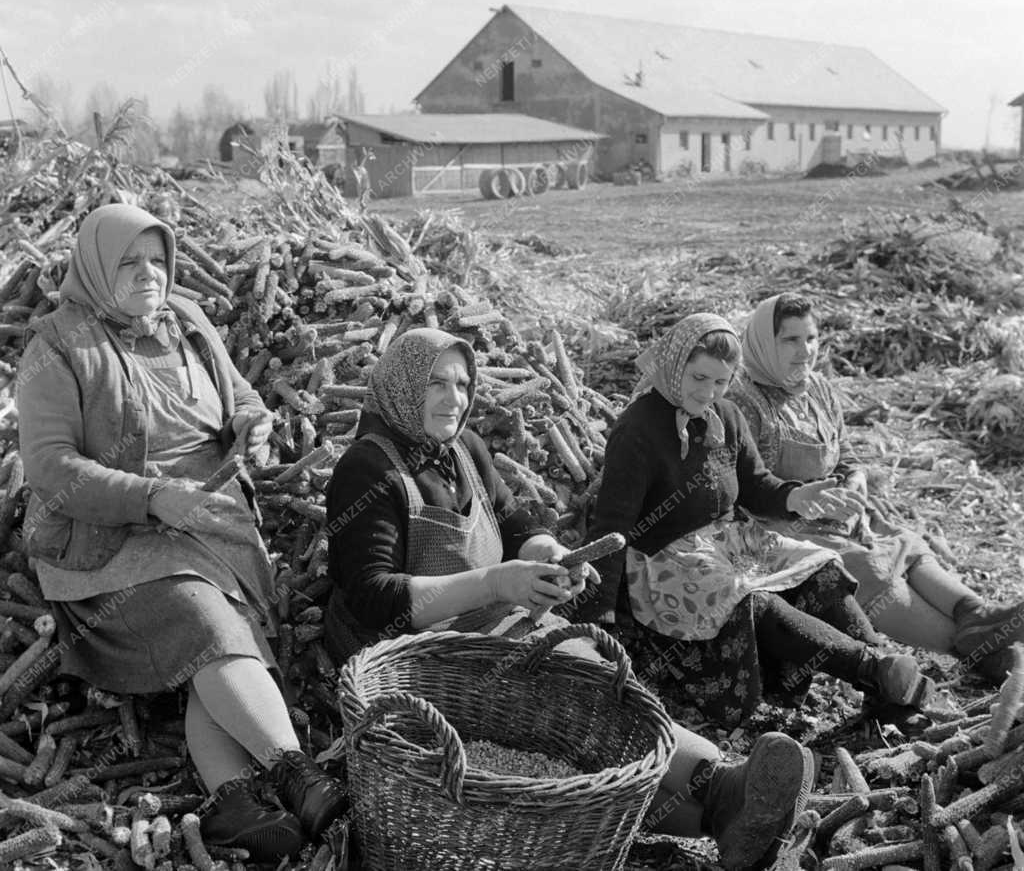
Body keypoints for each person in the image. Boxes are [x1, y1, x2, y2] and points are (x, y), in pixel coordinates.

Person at [324, 327, 817, 871]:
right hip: (412, 659)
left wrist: (552, 553)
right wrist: (494, 583)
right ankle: (721, 808)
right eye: (436, 383)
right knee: (560, 731)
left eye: (463, 383)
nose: (454, 398)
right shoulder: (366, 471)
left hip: (491, 624)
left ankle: (724, 793)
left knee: (599, 685)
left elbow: (516, 529)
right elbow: (373, 597)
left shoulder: (465, 448)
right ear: (402, 385)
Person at [16, 204, 347, 861]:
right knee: (200, 616)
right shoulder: (56, 345)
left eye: (158, 260)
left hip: (211, 519)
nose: (150, 275)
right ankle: (295, 772)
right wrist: (154, 498)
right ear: (95, 267)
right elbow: (52, 470)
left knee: (232, 637)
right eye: (129, 263)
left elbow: (241, 401)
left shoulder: (188, 323)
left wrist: (251, 425)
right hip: (108, 541)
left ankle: (231, 802)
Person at [576, 313, 936, 730]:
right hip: (667, 563)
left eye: (720, 382)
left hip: (730, 543)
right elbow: (612, 524)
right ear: (674, 364)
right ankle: (873, 669)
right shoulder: (637, 430)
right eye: (698, 378)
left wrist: (799, 495)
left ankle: (887, 685)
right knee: (749, 597)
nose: (707, 393)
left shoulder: (726, 416)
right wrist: (597, 611)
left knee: (819, 568)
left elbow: (757, 486)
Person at [730, 292, 1024, 682]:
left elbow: (846, 453)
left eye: (812, 339)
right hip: (779, 527)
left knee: (905, 541)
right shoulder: (742, 403)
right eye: (791, 340)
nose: (806, 351)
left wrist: (856, 479)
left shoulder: (817, 389)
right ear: (766, 343)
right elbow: (750, 488)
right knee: (870, 571)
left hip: (837, 514)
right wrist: (807, 502)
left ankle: (974, 613)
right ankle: (967, 648)